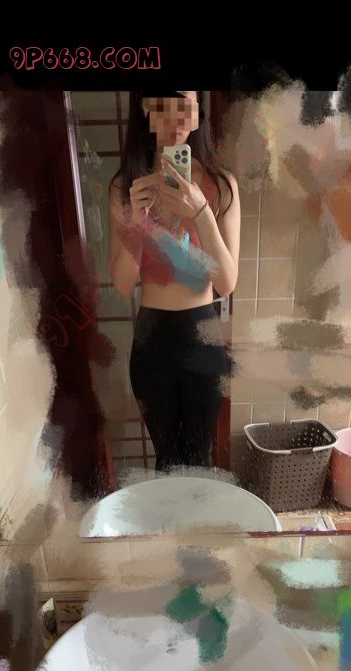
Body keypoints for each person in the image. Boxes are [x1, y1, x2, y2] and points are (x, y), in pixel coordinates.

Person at [109, 90, 240, 471]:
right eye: (162, 105)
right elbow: (121, 284)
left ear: (198, 114)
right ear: (145, 110)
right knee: (166, 460)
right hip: (152, 341)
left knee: (198, 459)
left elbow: (226, 282)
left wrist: (201, 214)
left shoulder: (221, 185)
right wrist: (138, 224)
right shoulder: (126, 187)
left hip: (203, 336)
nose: (175, 118)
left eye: (184, 105)